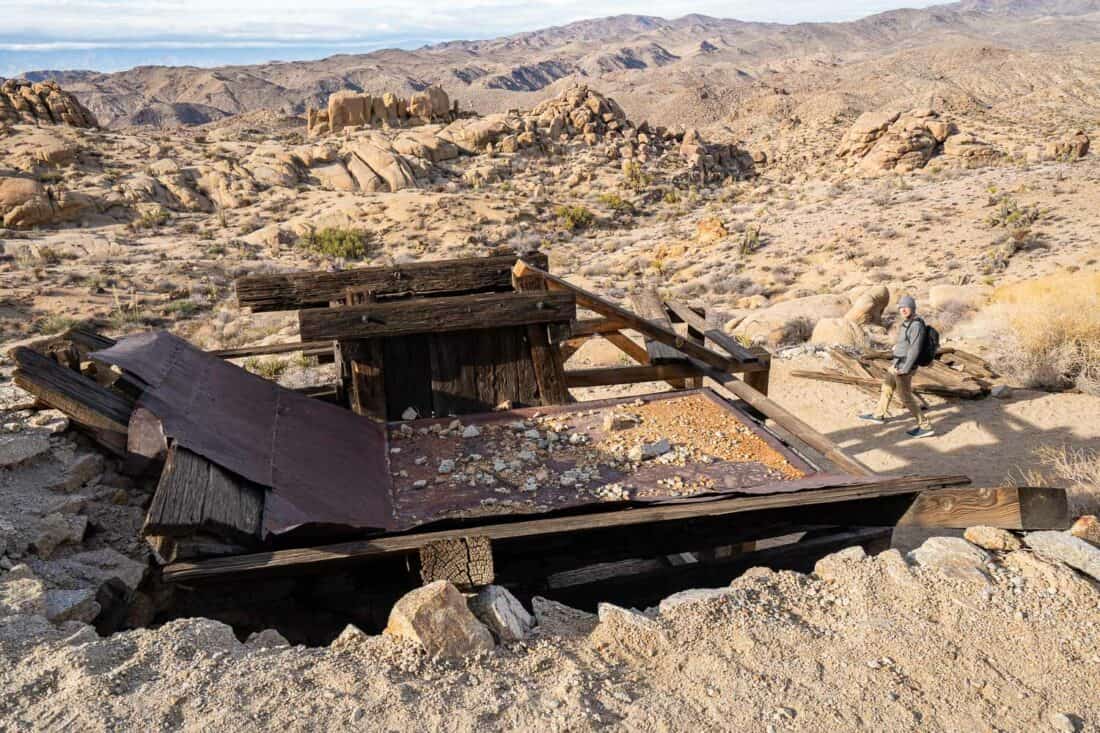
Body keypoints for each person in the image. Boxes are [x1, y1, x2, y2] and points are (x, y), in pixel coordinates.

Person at [859, 295, 935, 438]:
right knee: (887, 387)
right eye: (901, 307)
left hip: (904, 366)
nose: (903, 309)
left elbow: (915, 349)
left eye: (906, 307)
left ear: (912, 307)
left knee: (905, 397)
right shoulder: (907, 322)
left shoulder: (916, 325)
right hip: (897, 363)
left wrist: (905, 368)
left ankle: (925, 426)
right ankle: (878, 415)